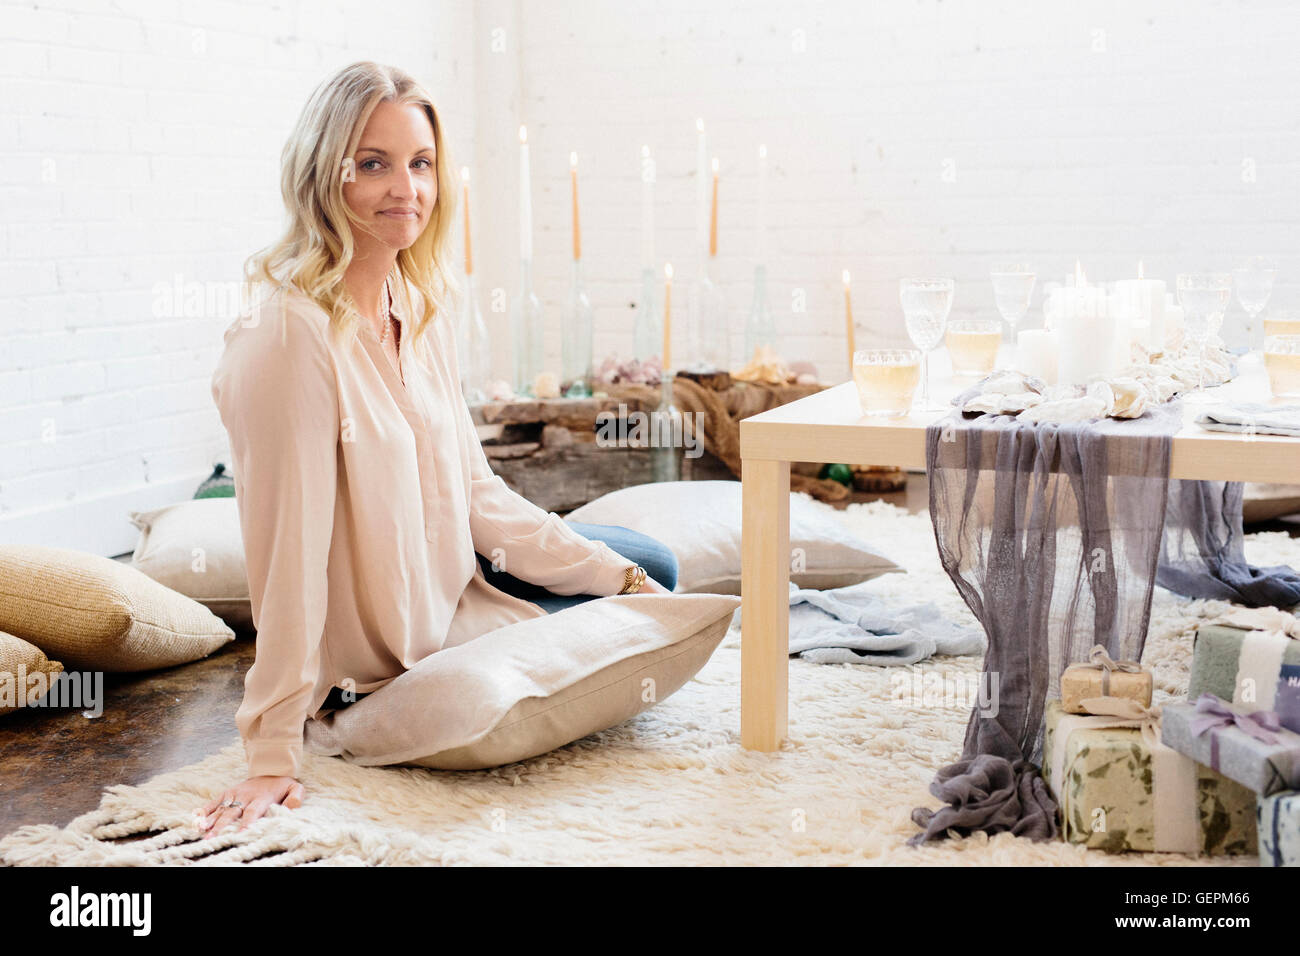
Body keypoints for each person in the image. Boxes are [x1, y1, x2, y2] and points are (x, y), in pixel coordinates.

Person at [197, 62, 676, 839]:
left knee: (651, 563)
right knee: (629, 592)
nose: (405, 190)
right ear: (324, 175)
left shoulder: (417, 307)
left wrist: (617, 577)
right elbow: (288, 554)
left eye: (420, 164)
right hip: (381, 657)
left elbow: (478, 493)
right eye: (373, 165)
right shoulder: (287, 336)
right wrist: (272, 752)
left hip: (459, 594)